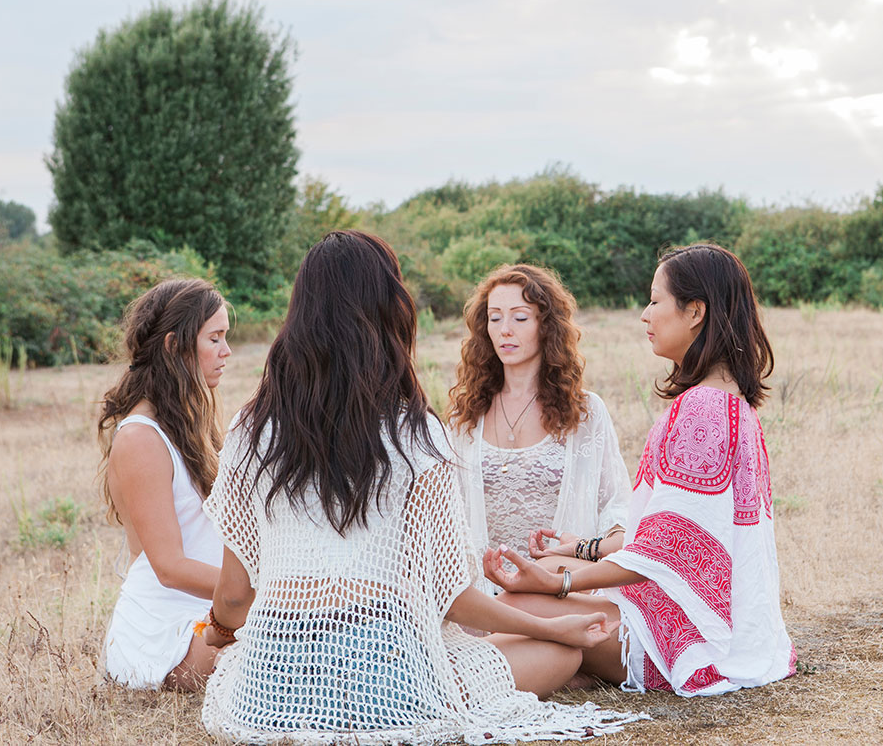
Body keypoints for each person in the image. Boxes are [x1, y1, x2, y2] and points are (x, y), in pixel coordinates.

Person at [198, 231, 642, 743]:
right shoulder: (417, 433)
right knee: (561, 653)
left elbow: (233, 598)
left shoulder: (250, 429)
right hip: (391, 682)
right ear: (391, 312)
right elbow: (452, 598)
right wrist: (552, 628)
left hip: (268, 692)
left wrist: (221, 634)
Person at [483, 243, 796, 696]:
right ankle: (562, 667)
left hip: (691, 638)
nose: (645, 316)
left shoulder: (704, 410)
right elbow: (666, 533)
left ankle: (454, 680)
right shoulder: (726, 399)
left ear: (694, 311)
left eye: (654, 300)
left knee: (522, 597)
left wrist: (561, 581)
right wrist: (583, 549)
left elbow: (663, 551)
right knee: (547, 566)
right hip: (709, 619)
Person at [447, 264, 631, 591]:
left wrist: (585, 550)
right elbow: (447, 520)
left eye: (519, 318)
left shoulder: (586, 413)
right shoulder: (465, 418)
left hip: (560, 589)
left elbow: (617, 508)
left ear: (546, 326)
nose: (505, 329)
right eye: (494, 317)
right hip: (483, 596)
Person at [97, 277, 233, 691]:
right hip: (164, 630)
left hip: (216, 609)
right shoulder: (140, 437)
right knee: (289, 662)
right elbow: (168, 568)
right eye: (215, 338)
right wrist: (259, 589)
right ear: (175, 345)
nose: (226, 351)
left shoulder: (187, 424)